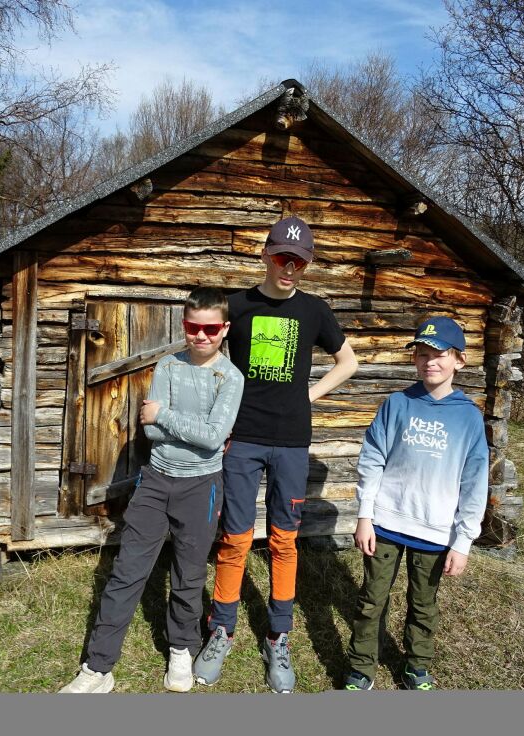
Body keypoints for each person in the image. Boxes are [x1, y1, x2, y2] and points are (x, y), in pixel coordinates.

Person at [193, 215, 359, 693]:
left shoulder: (315, 310)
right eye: (283, 257)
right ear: (266, 254)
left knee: (285, 540)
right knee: (236, 537)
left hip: (291, 441)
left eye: (299, 262)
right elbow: (209, 360)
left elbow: (348, 361)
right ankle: (221, 629)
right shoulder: (238, 306)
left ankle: (278, 636)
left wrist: (309, 396)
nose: (290, 268)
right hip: (242, 438)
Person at [59, 287, 244, 694]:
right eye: (194, 327)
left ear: (224, 329)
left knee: (189, 572)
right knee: (127, 571)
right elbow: (151, 428)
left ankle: (181, 648)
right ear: (184, 324)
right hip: (157, 479)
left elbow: (213, 439)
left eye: (210, 328)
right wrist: (168, 422)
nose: (201, 336)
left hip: (201, 486)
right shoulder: (167, 366)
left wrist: (166, 415)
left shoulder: (231, 378)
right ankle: (98, 667)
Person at [342, 315, 488, 691]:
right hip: (386, 523)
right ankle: (361, 667)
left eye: (439, 354)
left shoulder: (469, 418)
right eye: (422, 354)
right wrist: (364, 516)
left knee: (423, 605)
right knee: (371, 600)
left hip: (435, 529)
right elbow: (372, 460)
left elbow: (475, 483)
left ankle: (416, 666)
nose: (429, 362)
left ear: (459, 360)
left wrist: (463, 541)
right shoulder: (397, 404)